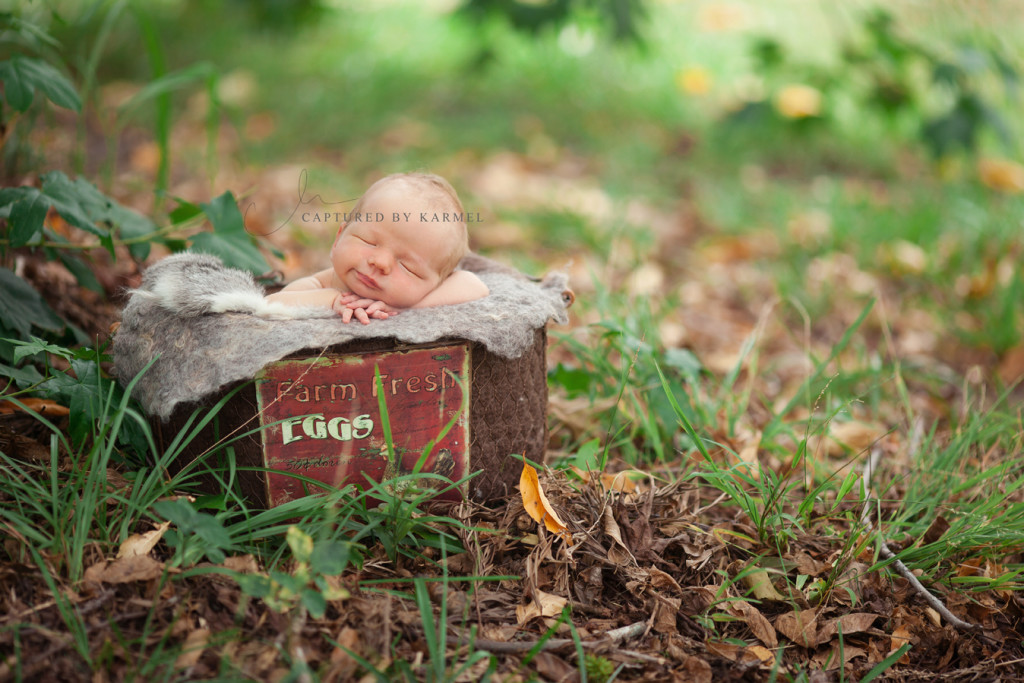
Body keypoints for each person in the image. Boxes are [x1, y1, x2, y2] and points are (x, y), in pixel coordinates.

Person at [265, 173, 489, 324]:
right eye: (369, 242)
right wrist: (333, 301)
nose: (380, 262)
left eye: (409, 267)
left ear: (435, 284)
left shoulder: (423, 295)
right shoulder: (322, 283)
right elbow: (274, 303)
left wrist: (408, 307)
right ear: (338, 238)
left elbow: (474, 285)